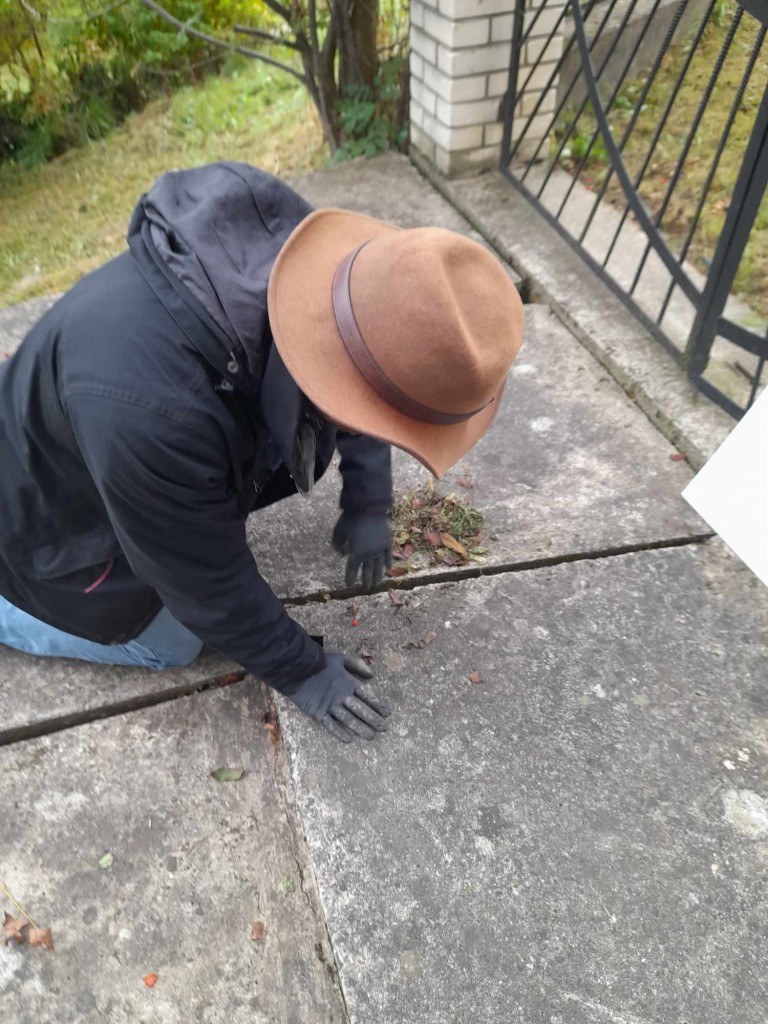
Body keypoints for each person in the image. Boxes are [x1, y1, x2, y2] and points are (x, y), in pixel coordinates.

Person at [0, 162, 524, 743]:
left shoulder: (314, 264)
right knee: (173, 641)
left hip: (89, 433)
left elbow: (366, 366)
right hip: (38, 521)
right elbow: (202, 580)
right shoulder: (158, 419)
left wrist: (369, 501)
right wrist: (302, 670)